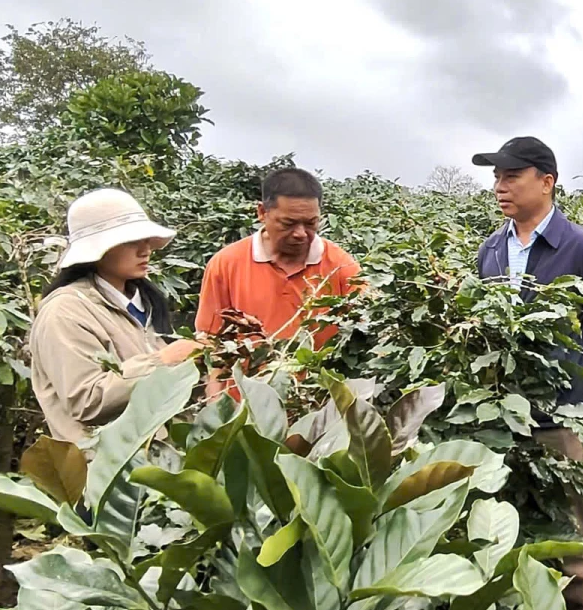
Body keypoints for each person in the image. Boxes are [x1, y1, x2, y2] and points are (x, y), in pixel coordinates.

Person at [471, 136, 583, 610]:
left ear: (546, 182)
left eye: (511, 176)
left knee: (571, 531)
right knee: (507, 525)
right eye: (497, 177)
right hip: (505, 420)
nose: (500, 187)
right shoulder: (491, 250)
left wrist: (578, 393)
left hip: (564, 419)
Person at [29, 188, 202, 445]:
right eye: (131, 241)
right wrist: (163, 361)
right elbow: (87, 400)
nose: (145, 250)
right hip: (107, 464)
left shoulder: (145, 302)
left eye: (147, 240)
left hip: (158, 459)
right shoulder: (65, 312)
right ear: (98, 250)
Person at [196, 167, 362, 347]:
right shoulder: (226, 264)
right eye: (288, 223)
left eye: (310, 223)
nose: (300, 234)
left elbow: (367, 321)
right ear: (262, 212)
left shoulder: (341, 265)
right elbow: (209, 337)